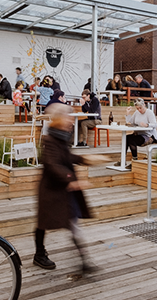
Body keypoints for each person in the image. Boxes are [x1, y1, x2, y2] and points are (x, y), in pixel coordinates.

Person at [34, 103, 99, 274]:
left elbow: (66, 156)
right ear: (58, 120)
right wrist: (70, 180)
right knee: (43, 224)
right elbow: (52, 163)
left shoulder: (61, 137)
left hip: (62, 190)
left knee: (72, 223)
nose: (71, 120)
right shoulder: (49, 140)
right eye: (67, 117)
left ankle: (85, 260)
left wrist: (84, 159)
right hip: (51, 190)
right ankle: (39, 254)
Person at [124, 98, 157, 167]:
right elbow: (131, 122)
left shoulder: (149, 112)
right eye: (137, 108)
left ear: (144, 105)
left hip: (149, 136)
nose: (139, 110)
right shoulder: (137, 113)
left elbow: (155, 124)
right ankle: (122, 160)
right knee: (126, 138)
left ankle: (134, 161)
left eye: (140, 108)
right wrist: (128, 114)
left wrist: (147, 125)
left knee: (131, 140)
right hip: (138, 134)